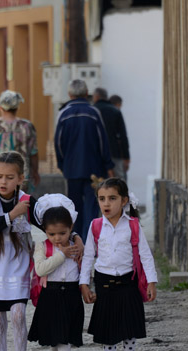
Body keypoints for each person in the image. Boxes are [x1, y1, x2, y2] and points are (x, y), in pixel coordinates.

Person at [0, 151, 83, 351]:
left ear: (20, 178)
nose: (3, 181)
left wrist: (76, 237)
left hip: (20, 264)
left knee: (17, 315)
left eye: (9, 177)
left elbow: (53, 224)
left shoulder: (28, 200)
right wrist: (12, 214)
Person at [79, 178, 158, 351]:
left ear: (123, 201)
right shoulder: (96, 226)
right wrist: (84, 283)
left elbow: (145, 255)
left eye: (112, 198)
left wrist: (151, 281)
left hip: (128, 283)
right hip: (105, 286)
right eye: (102, 199)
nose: (106, 204)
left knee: (129, 332)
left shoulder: (132, 225)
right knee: (108, 333)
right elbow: (88, 256)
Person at [28, 194, 84, 351]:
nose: (57, 238)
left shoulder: (76, 244)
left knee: (65, 337)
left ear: (71, 229)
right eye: (52, 234)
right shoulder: (42, 246)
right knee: (53, 339)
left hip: (70, 294)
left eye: (62, 233)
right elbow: (41, 270)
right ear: (45, 232)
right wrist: (61, 255)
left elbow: (85, 267)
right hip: (50, 295)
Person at [54, 79, 115, 240]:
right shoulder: (94, 113)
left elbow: (58, 143)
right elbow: (103, 141)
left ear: (70, 94)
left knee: (73, 207)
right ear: (86, 92)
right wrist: (108, 164)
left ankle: (76, 239)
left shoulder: (63, 114)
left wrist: (62, 164)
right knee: (91, 206)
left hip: (71, 169)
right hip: (94, 170)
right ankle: (90, 242)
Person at [0, 90, 40, 193]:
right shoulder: (27, 126)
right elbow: (34, 153)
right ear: (17, 107)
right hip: (20, 176)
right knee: (20, 204)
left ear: (0, 107)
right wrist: (35, 172)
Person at [93, 87, 130, 181]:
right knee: (118, 184)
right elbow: (123, 136)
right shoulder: (115, 111)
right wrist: (126, 157)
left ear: (96, 97)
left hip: (95, 154)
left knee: (97, 183)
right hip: (114, 153)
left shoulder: (91, 111)